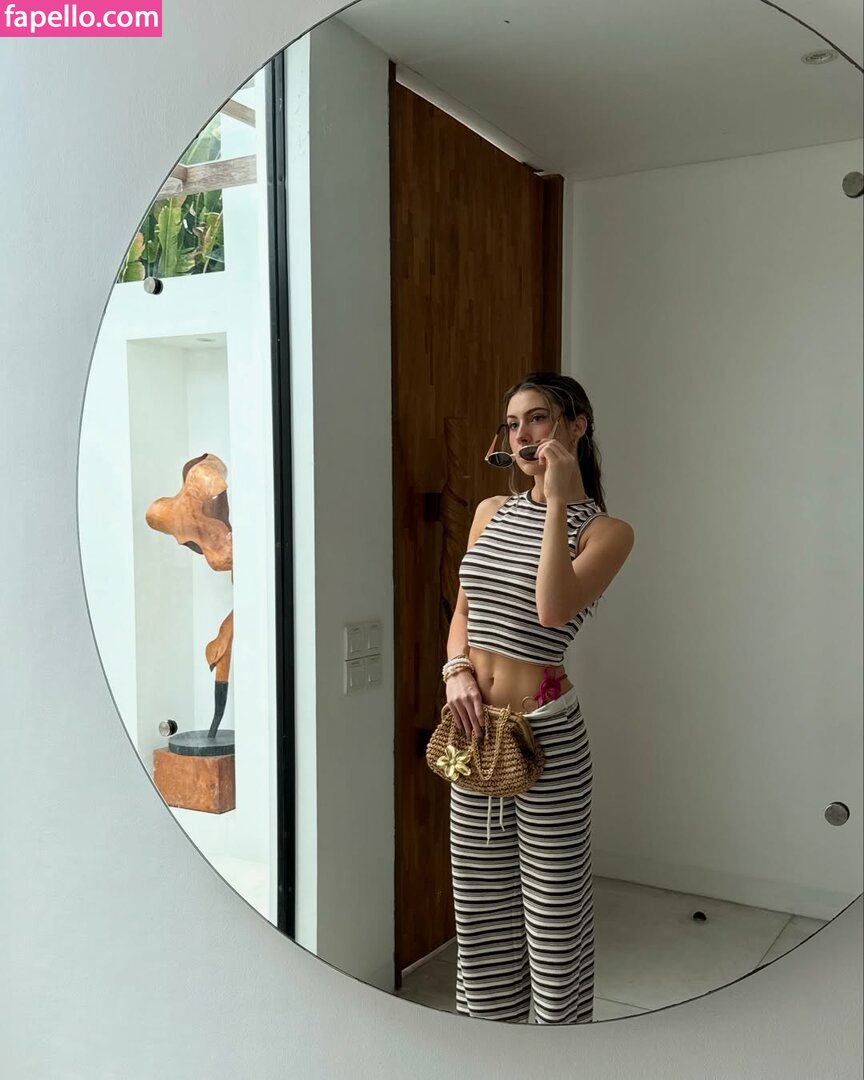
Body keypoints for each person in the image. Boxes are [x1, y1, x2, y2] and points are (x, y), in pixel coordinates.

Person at [443, 371, 634, 1025]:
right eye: (512, 423)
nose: (522, 435)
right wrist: (455, 670)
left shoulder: (607, 532)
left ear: (577, 426)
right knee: (480, 910)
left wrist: (557, 502)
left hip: (547, 733)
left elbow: (552, 611)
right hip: (473, 728)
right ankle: (492, 1044)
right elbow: (464, 610)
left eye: (538, 418)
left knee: (554, 914)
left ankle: (559, 1048)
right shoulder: (489, 512)